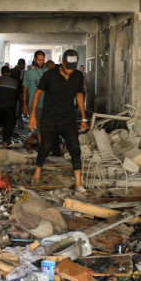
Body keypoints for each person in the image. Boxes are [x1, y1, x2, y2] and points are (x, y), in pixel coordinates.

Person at [28, 49, 88, 192]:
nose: (69, 71)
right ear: (62, 63)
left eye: (72, 68)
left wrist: (84, 118)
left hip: (68, 120)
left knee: (75, 149)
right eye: (67, 68)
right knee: (44, 148)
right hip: (49, 119)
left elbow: (79, 95)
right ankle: (36, 174)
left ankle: (78, 183)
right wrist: (32, 115)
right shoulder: (50, 75)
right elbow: (37, 94)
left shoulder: (78, 76)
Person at [22, 51, 47, 152]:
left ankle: (33, 143)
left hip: (46, 104)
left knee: (44, 128)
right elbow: (24, 90)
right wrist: (24, 104)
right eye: (39, 60)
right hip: (34, 105)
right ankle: (42, 150)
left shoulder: (46, 71)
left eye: (42, 60)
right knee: (38, 129)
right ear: (35, 59)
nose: (41, 62)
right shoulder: (28, 73)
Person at [0, 65, 19, 149]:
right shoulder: (15, 82)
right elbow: (18, 94)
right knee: (9, 125)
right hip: (10, 107)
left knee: (3, 124)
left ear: (1, 73)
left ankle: (2, 130)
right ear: (9, 73)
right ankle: (5, 144)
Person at [11, 58, 26, 128]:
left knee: (14, 109)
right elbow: (20, 83)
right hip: (18, 93)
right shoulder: (21, 72)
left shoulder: (11, 71)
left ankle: (16, 122)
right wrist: (21, 93)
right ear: (23, 65)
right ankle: (19, 122)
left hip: (11, 93)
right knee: (19, 108)